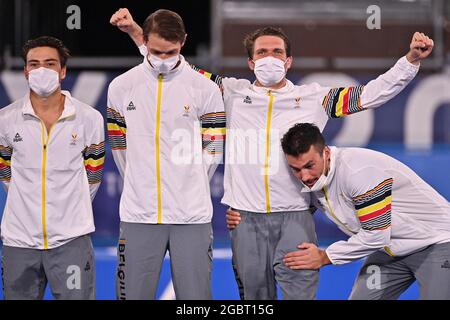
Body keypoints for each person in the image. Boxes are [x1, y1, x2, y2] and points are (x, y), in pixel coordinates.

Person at [111, 8, 434, 299]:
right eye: (262, 52)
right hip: (244, 219)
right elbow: (176, 64)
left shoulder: (315, 98)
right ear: (251, 62)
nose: (270, 57)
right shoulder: (229, 92)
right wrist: (138, 34)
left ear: (288, 61)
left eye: (277, 52)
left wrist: (409, 62)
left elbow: (369, 95)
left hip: (294, 216)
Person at [107, 9, 225, 300]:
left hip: (191, 216)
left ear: (184, 41)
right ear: (144, 42)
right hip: (138, 215)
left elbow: (213, 149)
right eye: (157, 51)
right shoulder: (121, 87)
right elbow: (119, 147)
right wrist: (140, 181)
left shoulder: (205, 89)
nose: (163, 59)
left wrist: (190, 182)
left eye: (171, 52)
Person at [277, 122, 450, 300]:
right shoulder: (310, 178)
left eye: (309, 166)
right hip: (389, 251)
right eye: (296, 169)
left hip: (438, 242)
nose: (304, 177)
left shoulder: (358, 171)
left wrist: (325, 256)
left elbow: (376, 235)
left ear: (326, 153)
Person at [0, 36, 105, 300]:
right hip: (19, 242)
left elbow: (93, 177)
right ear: (25, 71)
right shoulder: (5, 120)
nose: (41, 70)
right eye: (34, 64)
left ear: (63, 70)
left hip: (71, 242)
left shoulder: (89, 119)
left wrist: (67, 212)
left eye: (49, 63)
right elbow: (6, 174)